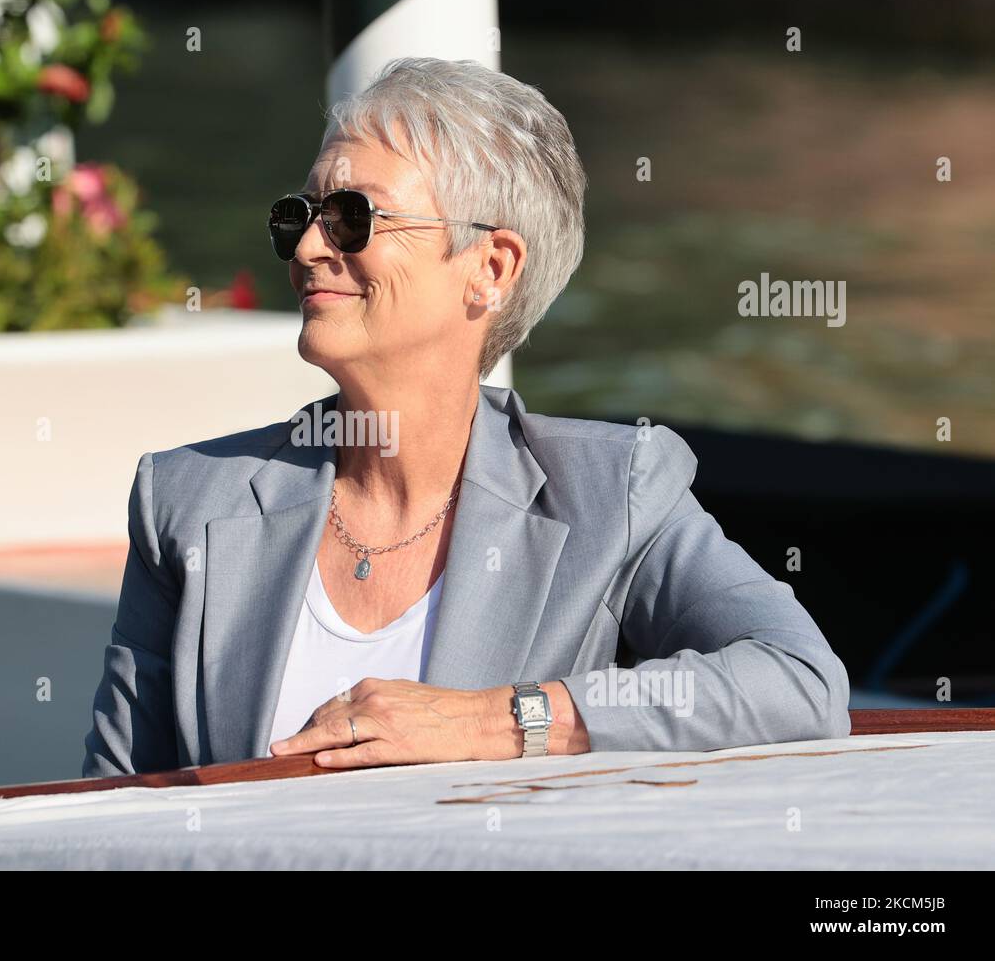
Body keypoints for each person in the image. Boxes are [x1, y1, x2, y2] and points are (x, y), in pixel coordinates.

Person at [82, 57, 851, 777]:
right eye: (300, 215)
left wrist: (495, 723)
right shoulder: (186, 501)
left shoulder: (610, 492)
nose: (309, 246)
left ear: (490, 270)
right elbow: (106, 812)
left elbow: (797, 679)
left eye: (353, 218)